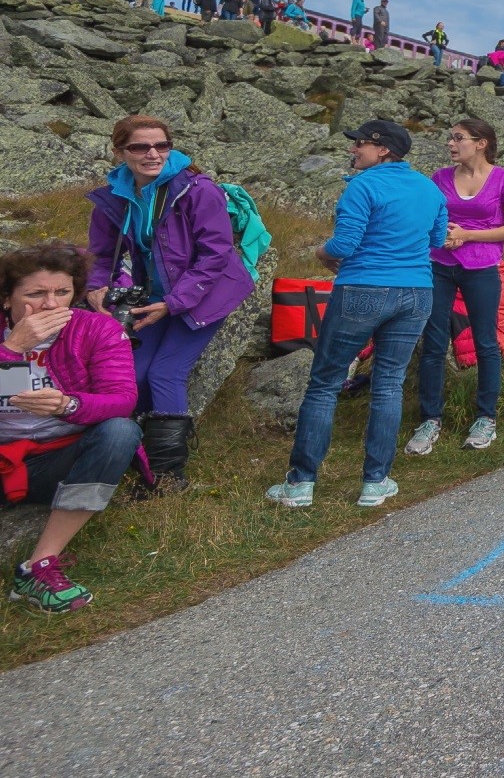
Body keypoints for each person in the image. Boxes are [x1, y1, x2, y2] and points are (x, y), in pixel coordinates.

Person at [267, 121, 445, 510]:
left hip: (363, 289)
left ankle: (301, 485)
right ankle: (375, 482)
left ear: (382, 149)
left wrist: (320, 254)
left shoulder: (362, 186)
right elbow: (436, 239)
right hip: (417, 292)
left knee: (324, 384)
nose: (353, 150)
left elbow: (345, 243)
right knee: (388, 385)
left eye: (360, 144)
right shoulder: (430, 188)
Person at [83, 115, 256, 491]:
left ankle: (167, 477)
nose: (152, 154)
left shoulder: (197, 190)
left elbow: (215, 255)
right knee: (133, 373)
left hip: (207, 294)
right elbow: (100, 254)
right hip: (155, 297)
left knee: (165, 373)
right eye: (139, 147)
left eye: (161, 145)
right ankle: (133, 454)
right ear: (119, 151)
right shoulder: (114, 195)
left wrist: (173, 303)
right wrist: (96, 286)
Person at [0, 243, 144, 613]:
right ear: (6, 299)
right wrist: (12, 350)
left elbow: (122, 398)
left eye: (62, 293)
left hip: (60, 458)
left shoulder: (96, 328)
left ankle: (39, 566)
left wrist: (69, 404)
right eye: (35, 294)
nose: (51, 305)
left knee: (121, 431)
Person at [406, 119, 504, 457]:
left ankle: (485, 417)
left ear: (482, 142)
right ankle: (430, 419)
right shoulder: (440, 178)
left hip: (482, 268)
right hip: (439, 266)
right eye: (450, 137)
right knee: (433, 341)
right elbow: (426, 218)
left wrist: (467, 235)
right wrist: (441, 234)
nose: (451, 144)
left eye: (458, 138)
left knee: (486, 341)